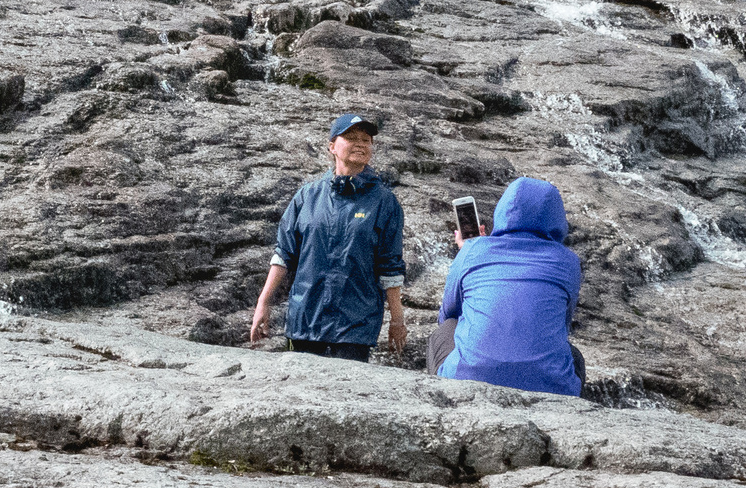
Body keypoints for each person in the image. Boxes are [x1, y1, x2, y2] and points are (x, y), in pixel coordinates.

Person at [247, 113, 408, 362]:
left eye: (366, 140)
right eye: (351, 137)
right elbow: (284, 254)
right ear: (332, 146)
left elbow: (390, 266)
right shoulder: (307, 196)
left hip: (356, 326)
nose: (361, 144)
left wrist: (397, 320)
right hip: (305, 320)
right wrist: (263, 302)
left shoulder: (385, 202)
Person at [432, 176, 585, 397]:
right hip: (550, 386)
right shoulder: (568, 261)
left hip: (468, 380)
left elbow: (448, 314)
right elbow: (563, 322)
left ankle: (442, 402)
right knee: (574, 356)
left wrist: (469, 250)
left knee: (446, 330)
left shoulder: (473, 250)